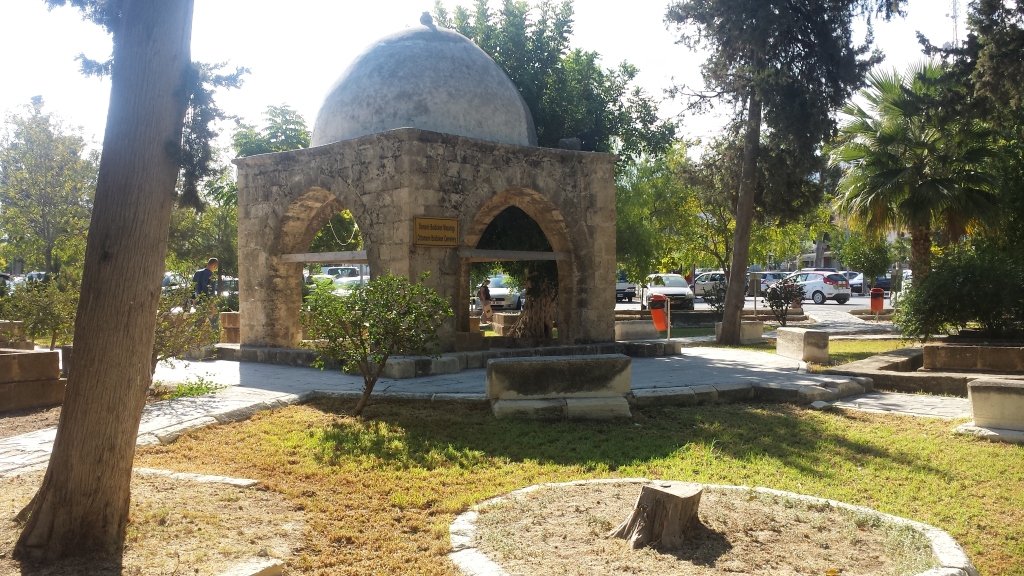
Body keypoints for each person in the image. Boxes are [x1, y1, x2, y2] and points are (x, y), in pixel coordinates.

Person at [192, 258, 219, 329]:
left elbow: (192, 288)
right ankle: (215, 340)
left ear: (207, 264)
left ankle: (188, 339)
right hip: (207, 303)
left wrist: (193, 301)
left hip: (199, 302)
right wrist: (212, 307)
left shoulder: (197, 273)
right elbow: (211, 293)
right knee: (214, 325)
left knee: (197, 325)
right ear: (215, 266)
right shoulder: (212, 276)